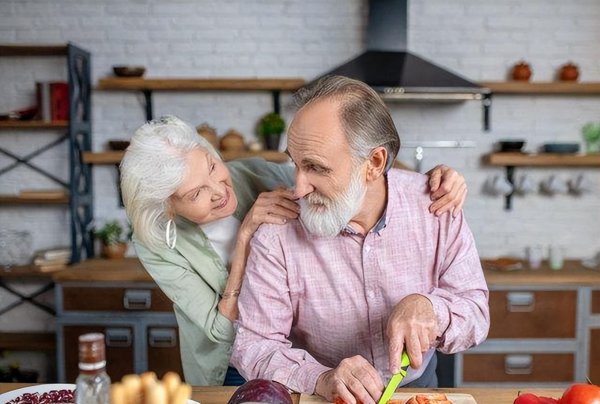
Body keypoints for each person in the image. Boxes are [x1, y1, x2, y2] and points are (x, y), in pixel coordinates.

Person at [119, 115, 469, 387]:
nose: (218, 191)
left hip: (289, 355)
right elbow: (223, 332)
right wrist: (245, 240)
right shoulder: (155, 241)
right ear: (167, 207)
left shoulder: (254, 173)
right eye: (196, 193)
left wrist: (431, 180)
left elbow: (344, 175)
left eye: (212, 166)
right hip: (225, 363)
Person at [230, 75, 490, 403]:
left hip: (417, 392)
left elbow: (477, 312)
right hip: (322, 394)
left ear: (374, 163)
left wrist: (430, 308)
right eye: (295, 163)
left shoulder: (437, 206)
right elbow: (254, 345)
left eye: (316, 168)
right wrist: (320, 377)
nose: (298, 188)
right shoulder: (278, 231)